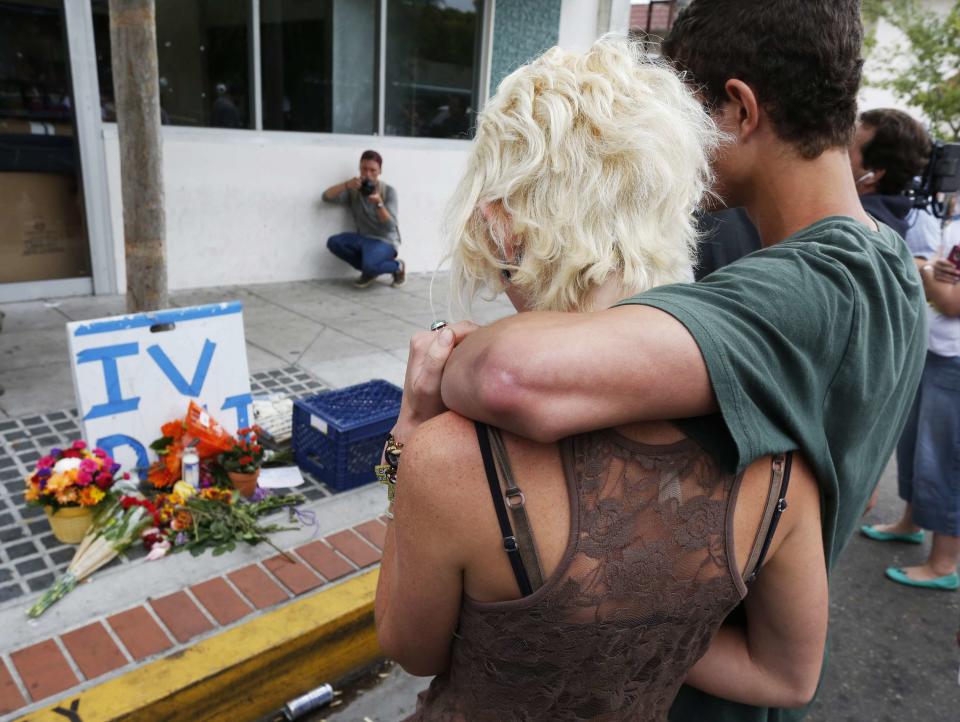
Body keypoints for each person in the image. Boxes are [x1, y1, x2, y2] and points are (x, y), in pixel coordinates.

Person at [396, 2, 927, 721]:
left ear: (738, 110)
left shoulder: (814, 287)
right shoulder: (890, 263)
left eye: (685, 118)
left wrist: (436, 369)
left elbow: (513, 374)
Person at [322, 150, 405, 288]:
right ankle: (370, 271)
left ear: (380, 171)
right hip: (364, 238)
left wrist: (379, 204)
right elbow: (326, 197)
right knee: (334, 242)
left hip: (385, 241)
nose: (368, 174)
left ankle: (397, 267)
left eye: (373, 170)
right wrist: (346, 185)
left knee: (370, 264)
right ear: (360, 168)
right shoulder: (354, 190)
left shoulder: (388, 191)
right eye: (364, 169)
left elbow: (391, 226)